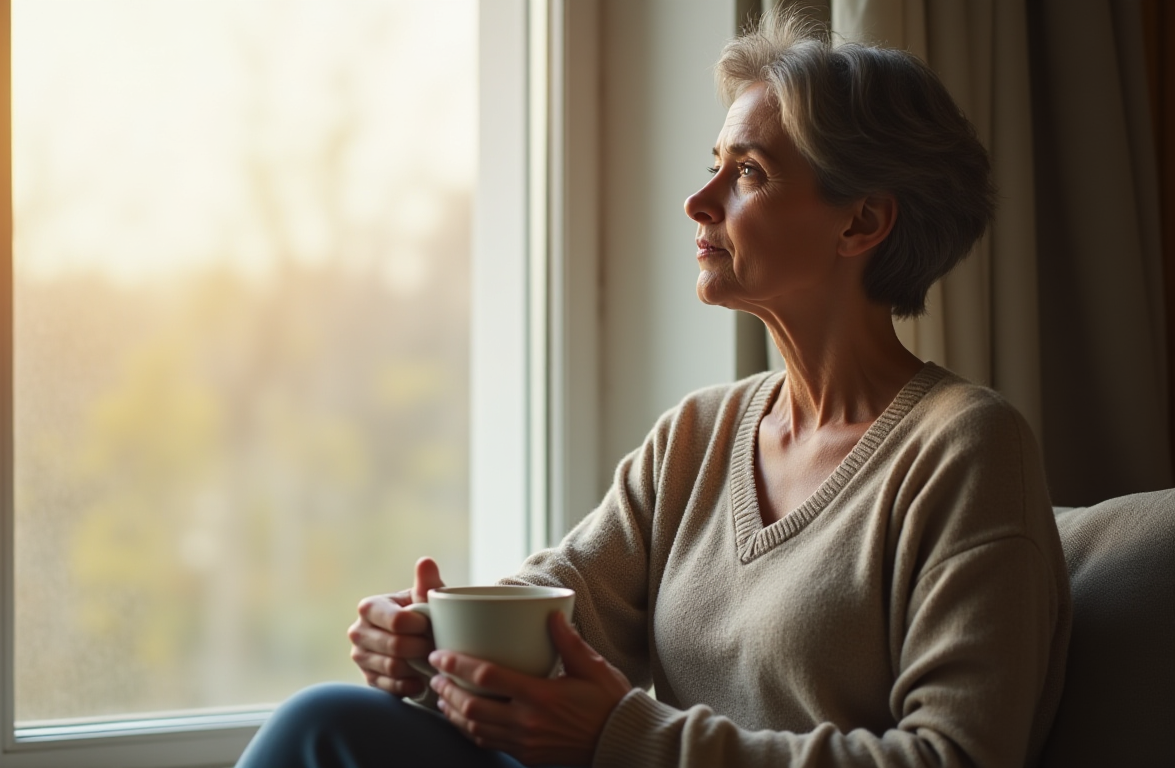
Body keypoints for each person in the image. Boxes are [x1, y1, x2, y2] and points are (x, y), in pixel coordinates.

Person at [235, 9, 1070, 768]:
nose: (697, 200)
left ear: (862, 222)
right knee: (327, 724)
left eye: (746, 174)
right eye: (714, 165)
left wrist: (628, 738)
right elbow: (557, 606)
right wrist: (426, 636)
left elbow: (957, 756)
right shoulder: (700, 435)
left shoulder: (966, 448)